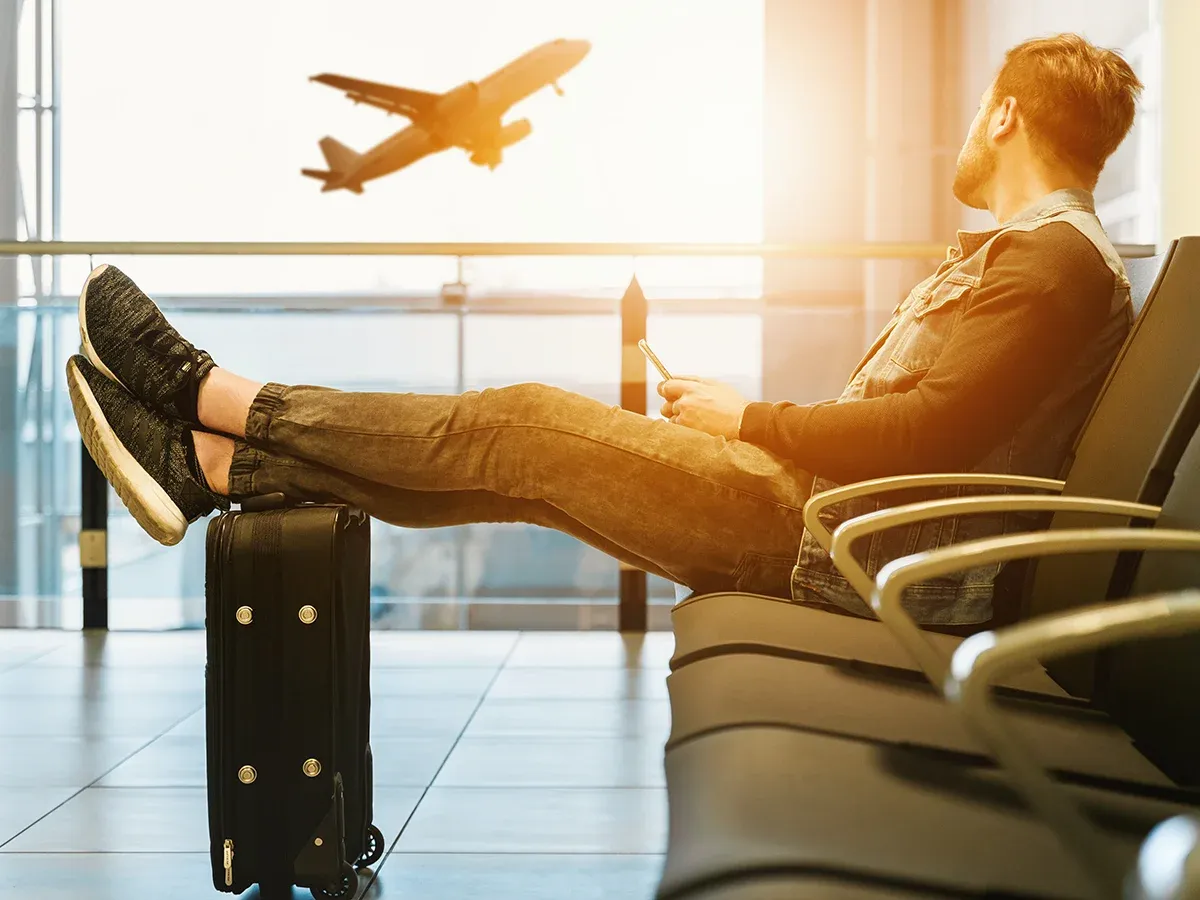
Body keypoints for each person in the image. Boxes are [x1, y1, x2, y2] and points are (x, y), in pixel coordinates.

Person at [67, 33, 1143, 627]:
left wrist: (753, 418)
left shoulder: (1051, 261)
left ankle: (208, 393)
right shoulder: (1045, 260)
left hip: (832, 547)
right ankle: (214, 468)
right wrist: (752, 425)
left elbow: (929, 436)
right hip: (832, 530)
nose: (964, 133)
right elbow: (932, 430)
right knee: (523, 473)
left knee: (520, 423)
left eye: (975, 114)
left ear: (1003, 114)